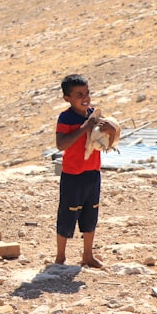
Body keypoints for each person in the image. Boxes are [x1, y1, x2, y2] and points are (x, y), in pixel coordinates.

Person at [54, 73, 106, 268]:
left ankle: (87, 255)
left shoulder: (93, 114)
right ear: (67, 98)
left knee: (90, 213)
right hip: (72, 173)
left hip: (92, 171)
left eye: (87, 93)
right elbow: (61, 144)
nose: (85, 98)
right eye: (79, 95)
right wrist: (85, 127)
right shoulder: (66, 117)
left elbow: (102, 138)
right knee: (67, 213)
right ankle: (60, 257)